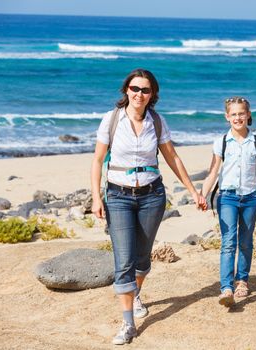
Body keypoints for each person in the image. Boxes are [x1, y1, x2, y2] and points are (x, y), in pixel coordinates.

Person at [90, 68, 204, 345]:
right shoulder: (112, 119)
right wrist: (96, 197)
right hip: (118, 196)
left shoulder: (158, 121)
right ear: (126, 91)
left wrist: (193, 191)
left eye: (145, 90)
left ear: (152, 94)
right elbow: (97, 160)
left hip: (152, 195)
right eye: (134, 89)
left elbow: (173, 158)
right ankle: (127, 323)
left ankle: (137, 294)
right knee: (125, 259)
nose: (139, 94)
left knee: (142, 257)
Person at [200, 96, 256, 307]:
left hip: (251, 198)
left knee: (246, 241)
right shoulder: (221, 142)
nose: (237, 117)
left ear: (248, 115)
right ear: (227, 117)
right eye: (233, 114)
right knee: (228, 241)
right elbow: (213, 172)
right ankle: (226, 288)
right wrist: (202, 194)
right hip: (227, 198)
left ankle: (242, 281)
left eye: (241, 113)